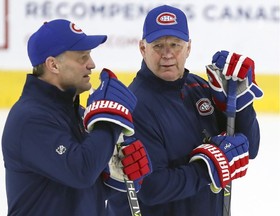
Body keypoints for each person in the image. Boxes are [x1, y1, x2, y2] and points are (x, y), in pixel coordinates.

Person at [106, 5, 263, 216]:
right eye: (158, 46)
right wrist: (208, 170)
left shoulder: (198, 88)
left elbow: (249, 149)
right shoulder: (135, 106)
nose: (167, 54)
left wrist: (241, 106)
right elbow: (151, 188)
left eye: (175, 45)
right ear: (143, 49)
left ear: (188, 48)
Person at [1, 19, 151, 216]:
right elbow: (81, 172)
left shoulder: (78, 113)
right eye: (82, 57)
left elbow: (83, 190)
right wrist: (110, 120)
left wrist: (114, 177)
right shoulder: (29, 119)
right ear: (53, 65)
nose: (91, 64)